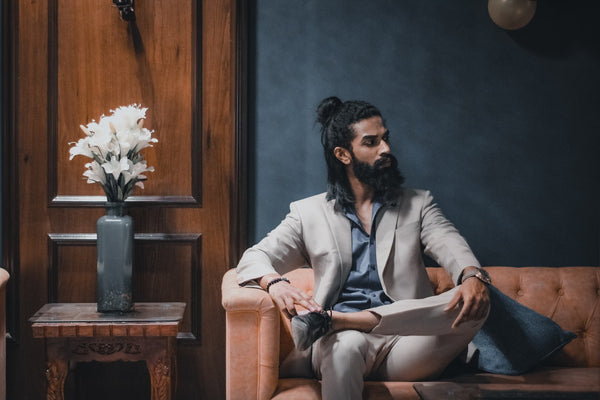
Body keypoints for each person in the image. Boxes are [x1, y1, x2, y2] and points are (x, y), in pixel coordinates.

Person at [236, 96, 490, 400]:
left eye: (385, 139)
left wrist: (471, 274)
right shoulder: (309, 214)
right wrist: (275, 283)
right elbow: (254, 257)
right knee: (344, 348)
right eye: (372, 142)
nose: (386, 149)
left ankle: (335, 319)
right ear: (344, 154)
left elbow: (449, 241)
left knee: (476, 300)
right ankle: (340, 324)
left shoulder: (418, 204)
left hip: (408, 343)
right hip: (342, 342)